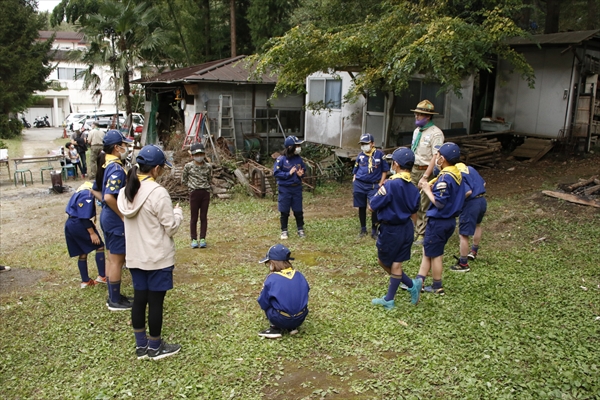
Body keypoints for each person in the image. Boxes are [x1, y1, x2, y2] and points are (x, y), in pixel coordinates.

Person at [117, 144, 183, 360]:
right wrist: (178, 214)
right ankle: (155, 347)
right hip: (157, 258)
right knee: (155, 303)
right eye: (162, 168)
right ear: (156, 169)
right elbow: (170, 227)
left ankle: (141, 346)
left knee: (139, 300)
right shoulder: (158, 192)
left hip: (135, 257)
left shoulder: (125, 190)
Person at [370, 148, 422, 309]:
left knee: (384, 261)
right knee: (397, 263)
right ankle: (394, 296)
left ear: (396, 164)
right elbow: (414, 212)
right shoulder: (413, 188)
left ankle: (408, 285)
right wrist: (412, 230)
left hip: (391, 230)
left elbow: (372, 206)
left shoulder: (391, 185)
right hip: (406, 228)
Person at [414, 143, 466, 295]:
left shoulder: (445, 179)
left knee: (433, 254)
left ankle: (435, 285)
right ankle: (420, 282)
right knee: (432, 251)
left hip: (439, 220)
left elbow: (439, 202)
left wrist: (427, 190)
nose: (435, 158)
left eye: (437, 155)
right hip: (449, 221)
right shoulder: (457, 174)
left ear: (442, 159)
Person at [93, 129, 133, 311]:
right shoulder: (116, 169)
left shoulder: (105, 165)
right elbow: (109, 197)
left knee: (111, 259)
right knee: (117, 260)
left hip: (106, 217)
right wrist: (122, 215)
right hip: (114, 219)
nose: (126, 147)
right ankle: (114, 301)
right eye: (124, 145)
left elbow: (96, 190)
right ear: (117, 148)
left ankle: (114, 295)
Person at [410, 100, 445, 245]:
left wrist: (425, 177)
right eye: (416, 114)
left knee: (424, 203)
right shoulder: (417, 131)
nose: (417, 117)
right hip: (413, 169)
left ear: (428, 117)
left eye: (420, 115)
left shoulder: (436, 134)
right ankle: (413, 229)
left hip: (426, 172)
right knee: (412, 201)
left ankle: (422, 233)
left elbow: (436, 157)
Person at [257, 244, 309, 338]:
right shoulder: (300, 275)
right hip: (300, 318)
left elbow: (263, 302)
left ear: (272, 263)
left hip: (280, 319)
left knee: (268, 303)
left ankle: (275, 328)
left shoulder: (271, 279)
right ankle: (292, 327)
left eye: (268, 263)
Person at [64, 181, 107, 288]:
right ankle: (102, 276)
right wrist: (92, 233)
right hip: (79, 223)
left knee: (82, 251)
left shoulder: (81, 189)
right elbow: (83, 216)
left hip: (70, 223)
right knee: (100, 246)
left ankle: (85, 281)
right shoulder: (87, 194)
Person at [450, 162, 487, 272]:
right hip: (482, 200)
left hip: (471, 204)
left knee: (463, 234)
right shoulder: (470, 168)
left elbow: (467, 192)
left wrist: (456, 202)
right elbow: (484, 183)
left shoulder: (457, 174)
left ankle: (463, 263)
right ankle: (474, 251)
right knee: (477, 225)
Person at [352, 133, 389, 239]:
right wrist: (354, 179)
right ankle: (363, 229)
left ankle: (374, 230)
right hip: (360, 184)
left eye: (366, 143)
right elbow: (355, 169)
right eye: (362, 144)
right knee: (361, 206)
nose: (364, 146)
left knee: (374, 206)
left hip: (373, 185)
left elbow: (384, 170)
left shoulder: (380, 155)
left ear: (372, 143)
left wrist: (381, 183)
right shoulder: (360, 155)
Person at [273, 136, 306, 240]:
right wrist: (288, 173)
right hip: (285, 189)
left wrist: (302, 174)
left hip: (296, 188)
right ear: (290, 147)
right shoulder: (281, 159)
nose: (299, 148)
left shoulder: (298, 158)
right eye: (297, 145)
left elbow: (303, 169)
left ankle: (300, 229)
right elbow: (276, 173)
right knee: (284, 211)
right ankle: (284, 230)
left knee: (298, 210)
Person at [182, 143, 213, 248]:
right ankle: (194, 239)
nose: (199, 156)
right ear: (192, 155)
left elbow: (210, 178)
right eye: (197, 154)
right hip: (194, 193)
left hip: (205, 193)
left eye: (201, 154)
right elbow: (184, 180)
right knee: (194, 217)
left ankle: (203, 238)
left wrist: (206, 187)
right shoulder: (188, 166)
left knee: (203, 217)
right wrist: (192, 187)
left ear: (204, 154)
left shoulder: (208, 166)